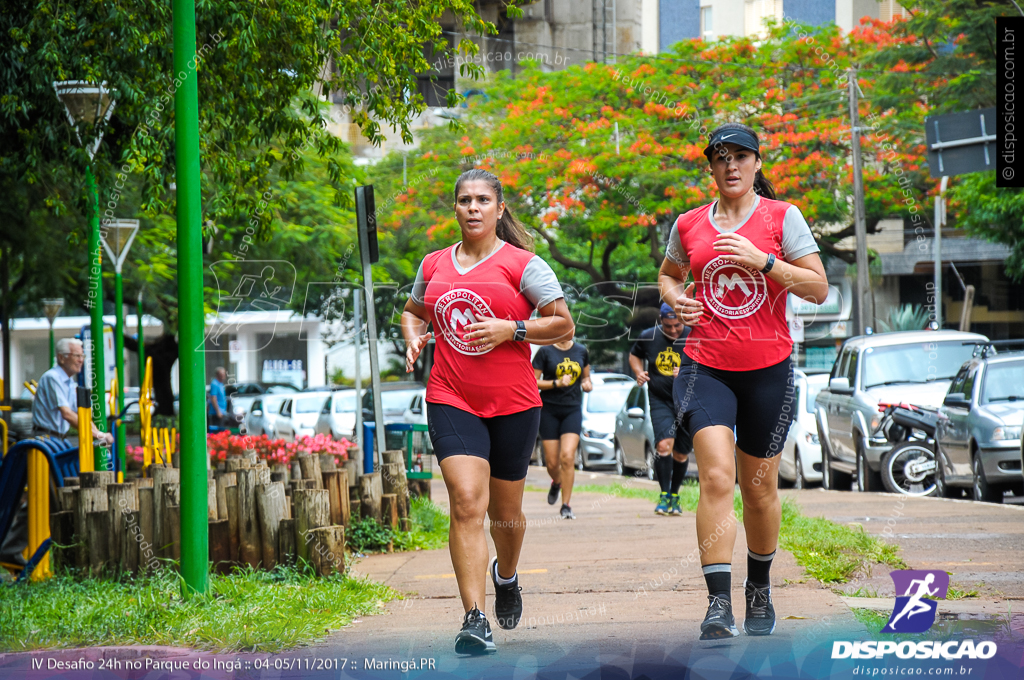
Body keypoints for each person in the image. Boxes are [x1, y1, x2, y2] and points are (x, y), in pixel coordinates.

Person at [659, 122, 828, 639]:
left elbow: (818, 287)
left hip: (768, 372)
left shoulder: (783, 217)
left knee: (758, 490)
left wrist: (767, 262)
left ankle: (758, 587)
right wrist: (674, 297)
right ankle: (716, 604)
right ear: (710, 167)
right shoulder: (688, 224)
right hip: (705, 365)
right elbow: (668, 273)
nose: (730, 165)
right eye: (720, 157)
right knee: (714, 477)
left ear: (757, 164)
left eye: (741, 156)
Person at [401, 168, 574, 655]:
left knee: (507, 515)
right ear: (454, 209)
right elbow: (413, 311)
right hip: (452, 396)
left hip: (515, 404)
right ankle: (474, 618)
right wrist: (414, 338)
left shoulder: (524, 265)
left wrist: (512, 330)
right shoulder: (434, 264)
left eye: (482, 200)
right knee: (465, 500)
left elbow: (563, 326)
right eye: (463, 200)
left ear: (499, 209)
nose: (472, 207)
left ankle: (507, 574)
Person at [629, 303, 692, 516]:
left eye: (677, 325)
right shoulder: (649, 336)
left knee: (681, 454)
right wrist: (639, 372)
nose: (673, 330)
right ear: (660, 321)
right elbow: (634, 355)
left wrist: (686, 372)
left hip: (687, 401)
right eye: (668, 326)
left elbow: (710, 364)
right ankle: (664, 495)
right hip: (660, 399)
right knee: (664, 445)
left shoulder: (695, 336)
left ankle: (675, 494)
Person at [532, 338, 591, 519]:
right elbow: (533, 381)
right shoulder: (545, 351)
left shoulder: (581, 351)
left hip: (572, 409)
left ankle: (566, 505)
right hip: (549, 409)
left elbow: (586, 377)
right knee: (551, 463)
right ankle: (556, 482)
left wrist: (587, 384)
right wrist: (556, 383)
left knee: (567, 456)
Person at [32, 337, 114, 445]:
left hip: (58, 439)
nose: (81, 360)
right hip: (46, 441)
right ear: (61, 357)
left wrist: (98, 433)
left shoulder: (69, 381)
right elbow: (67, 413)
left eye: (82, 356)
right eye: (76, 356)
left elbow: (81, 415)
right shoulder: (53, 377)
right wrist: (99, 435)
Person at [208, 367, 228, 431]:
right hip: (216, 413)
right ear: (217, 374)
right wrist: (218, 411)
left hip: (222, 411)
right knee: (217, 432)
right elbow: (213, 398)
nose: (223, 375)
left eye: (224, 374)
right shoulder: (215, 384)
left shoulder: (220, 383)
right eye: (221, 374)